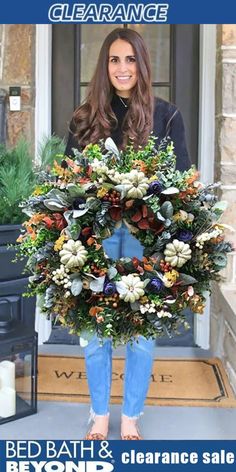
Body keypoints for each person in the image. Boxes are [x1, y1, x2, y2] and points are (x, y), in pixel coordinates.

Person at [65, 28, 191, 440]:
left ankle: (132, 415)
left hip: (146, 240)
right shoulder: (84, 119)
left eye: (130, 60)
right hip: (94, 239)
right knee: (93, 326)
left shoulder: (167, 116)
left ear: (142, 64)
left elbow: (182, 182)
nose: (122, 68)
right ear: (104, 66)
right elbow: (66, 184)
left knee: (141, 328)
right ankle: (100, 413)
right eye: (114, 60)